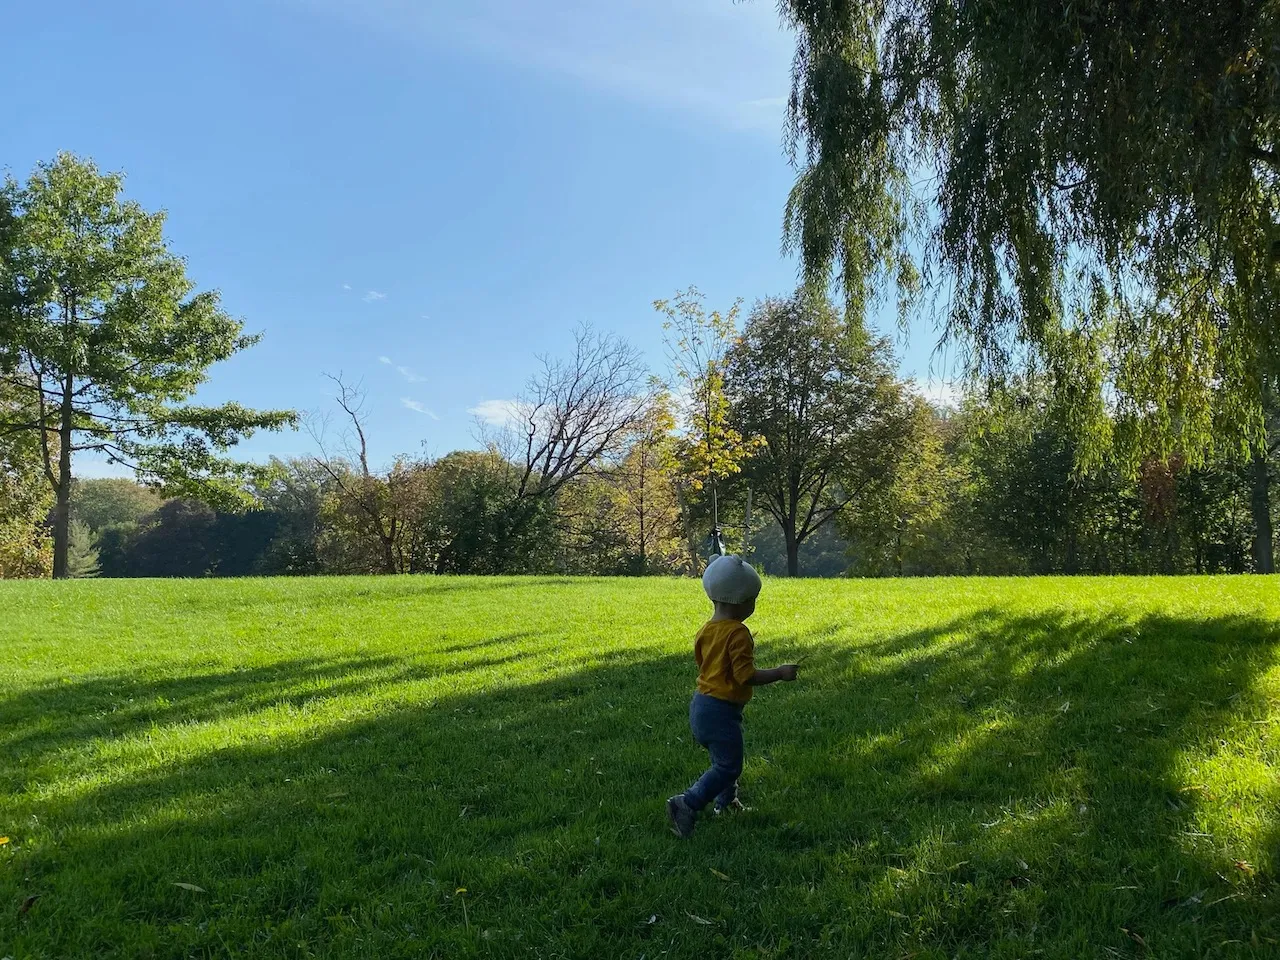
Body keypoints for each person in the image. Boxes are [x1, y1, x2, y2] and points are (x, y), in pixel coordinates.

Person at [666, 554, 799, 838]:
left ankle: (726, 803)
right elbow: (745, 675)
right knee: (729, 765)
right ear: (740, 602)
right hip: (720, 711)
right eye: (753, 600)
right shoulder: (738, 633)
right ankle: (687, 803)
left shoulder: (706, 630)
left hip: (701, 705)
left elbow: (703, 663)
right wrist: (779, 673)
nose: (754, 605)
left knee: (725, 759)